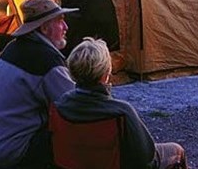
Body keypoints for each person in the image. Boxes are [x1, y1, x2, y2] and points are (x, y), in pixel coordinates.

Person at [0, 0, 78, 168]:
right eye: (60, 20)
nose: (66, 27)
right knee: (76, 130)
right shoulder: (45, 60)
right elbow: (76, 105)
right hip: (10, 153)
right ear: (45, 28)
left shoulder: (13, 48)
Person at [55, 37, 188, 169]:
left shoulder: (60, 106)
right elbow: (146, 156)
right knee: (177, 150)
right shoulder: (121, 112)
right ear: (106, 73)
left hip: (77, 163)